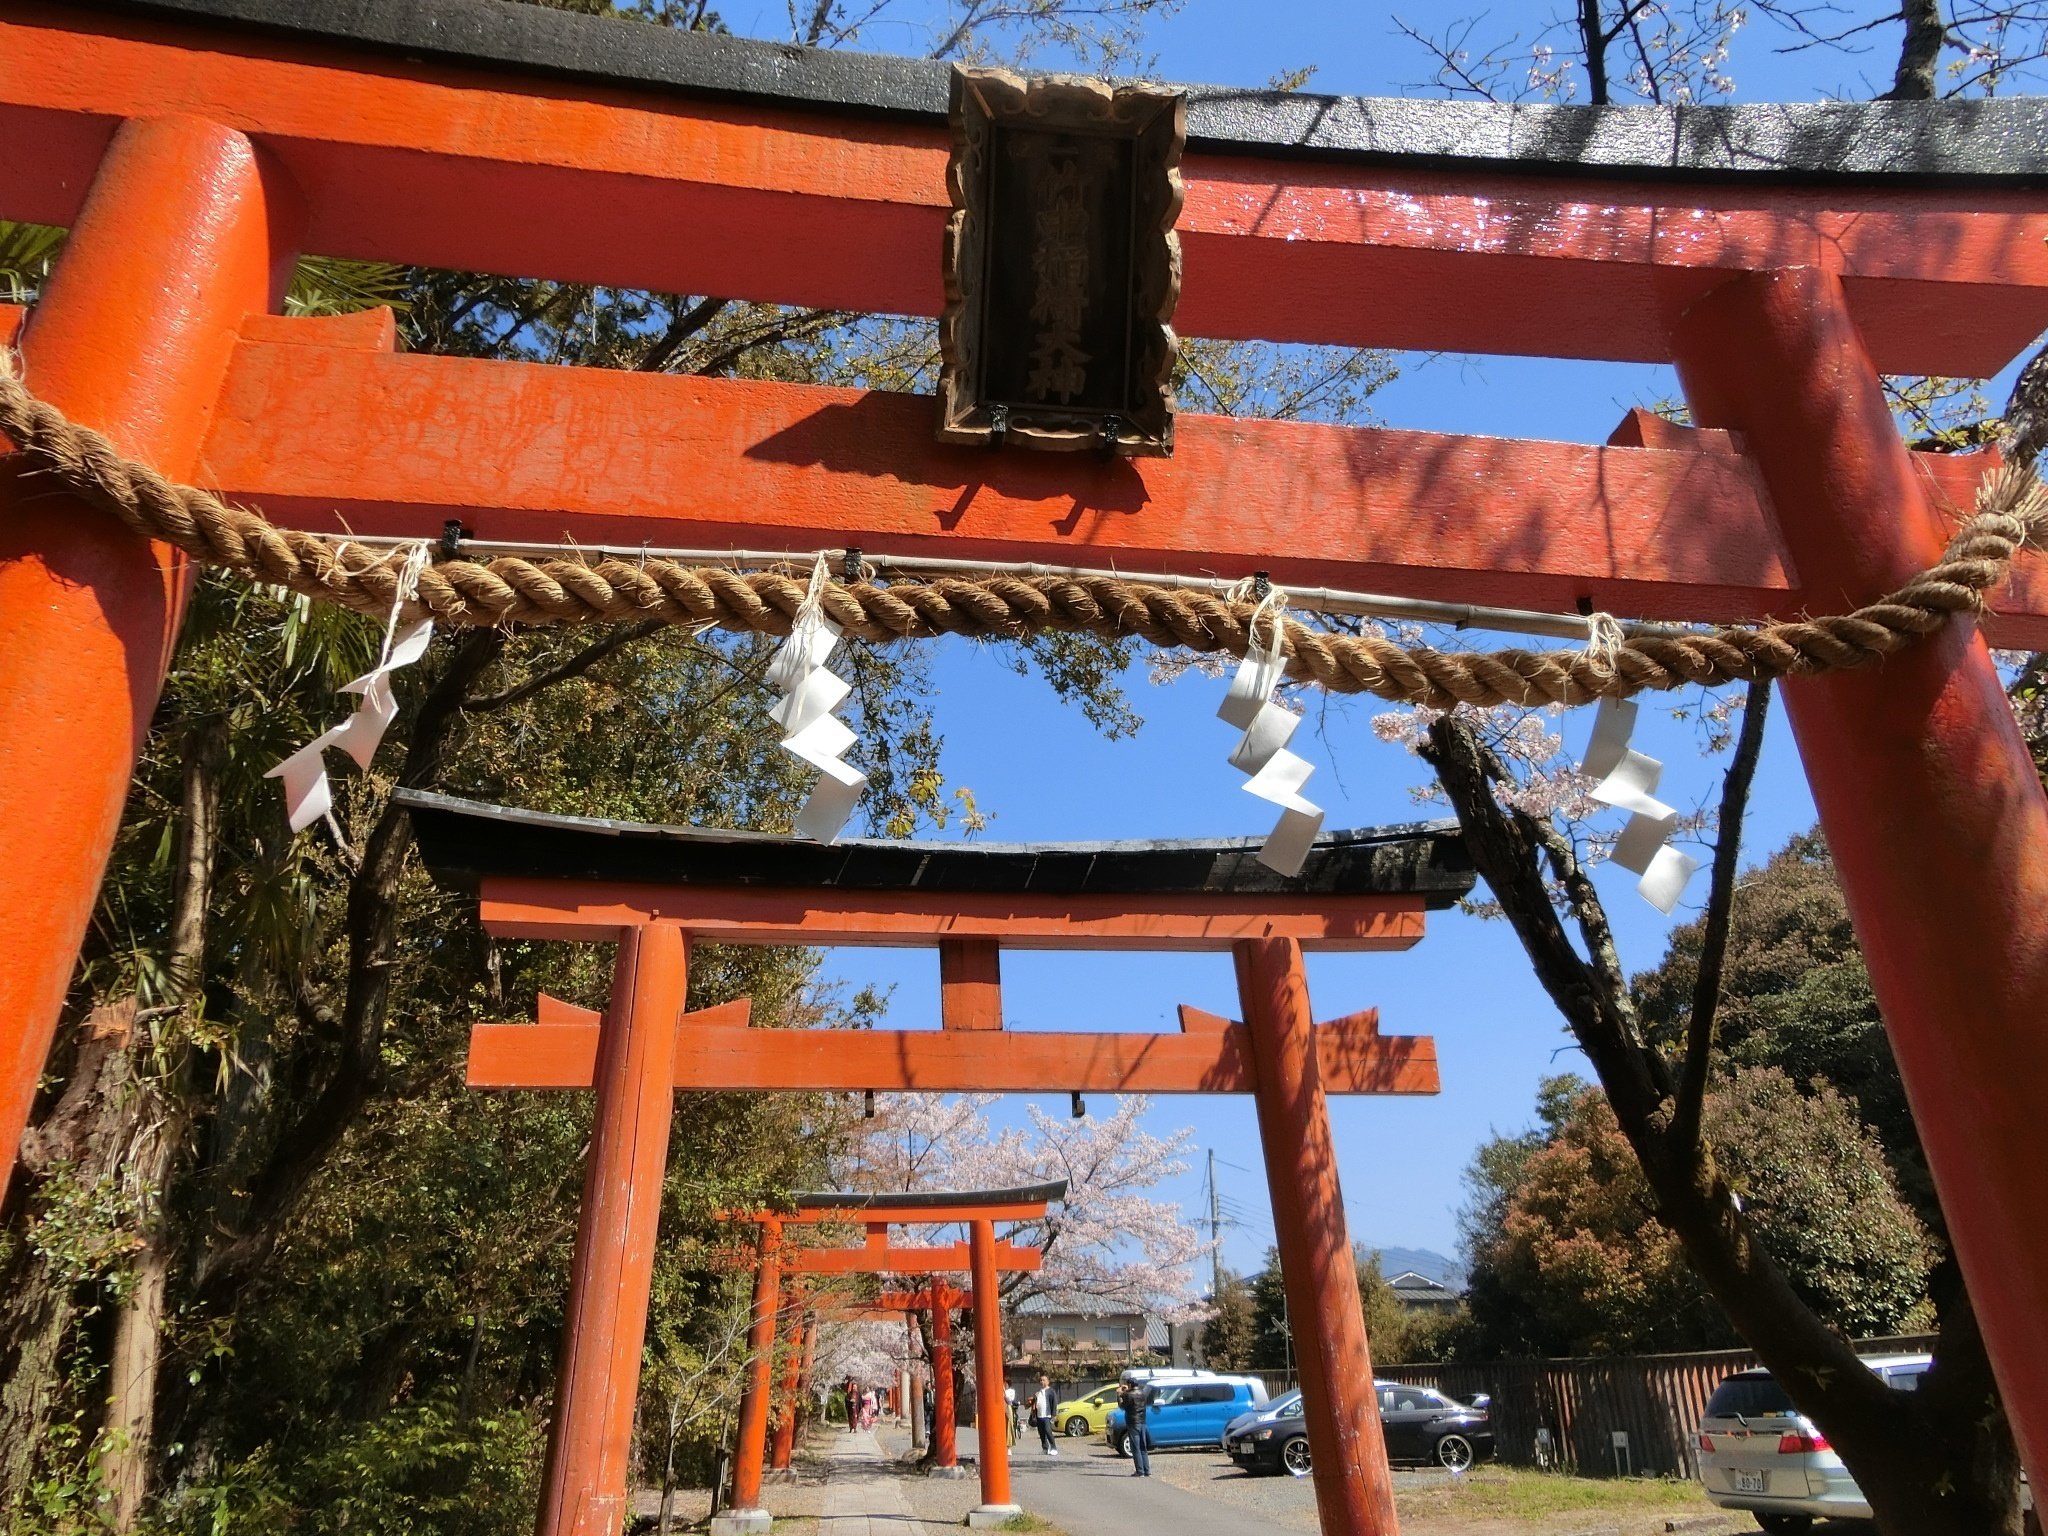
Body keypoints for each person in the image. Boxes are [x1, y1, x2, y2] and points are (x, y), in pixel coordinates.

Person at [1117, 1375, 1153, 1477]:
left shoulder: (1128, 1395)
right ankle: (1147, 1470)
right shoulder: (1143, 1393)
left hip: (1133, 1422)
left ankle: (1140, 1471)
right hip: (1142, 1421)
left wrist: (1119, 1395)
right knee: (1143, 1447)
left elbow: (1122, 1406)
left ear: (1130, 1385)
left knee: (1135, 1447)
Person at [1030, 1373, 1060, 1456]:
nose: (1042, 1382)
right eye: (1041, 1380)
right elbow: (1035, 1403)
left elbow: (1054, 1403)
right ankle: (1045, 1448)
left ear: (1048, 1382)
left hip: (1047, 1415)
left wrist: (1054, 1414)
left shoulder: (1051, 1391)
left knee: (1048, 1431)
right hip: (1039, 1415)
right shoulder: (1038, 1392)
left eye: (1044, 1380)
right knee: (1041, 1433)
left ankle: (1053, 1448)